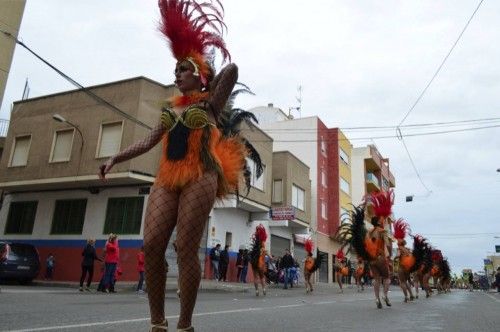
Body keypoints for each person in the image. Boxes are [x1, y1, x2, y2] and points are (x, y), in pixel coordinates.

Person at [98, 1, 258, 330]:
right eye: (175, 70)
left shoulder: (211, 105)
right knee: (153, 243)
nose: (176, 74)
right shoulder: (170, 110)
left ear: (197, 74)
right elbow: (148, 141)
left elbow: (233, 70)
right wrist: (116, 157)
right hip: (167, 178)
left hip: (202, 175)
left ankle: (185, 323)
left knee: (186, 246)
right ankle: (158, 321)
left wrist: (202, 69)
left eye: (183, 69)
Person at [393, 220, 415, 303]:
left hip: (402, 267)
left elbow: (398, 256)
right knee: (406, 282)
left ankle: (406, 296)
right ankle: (411, 294)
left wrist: (395, 258)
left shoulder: (399, 249)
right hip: (408, 268)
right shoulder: (407, 249)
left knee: (402, 282)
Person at [249, 225, 267, 296]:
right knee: (262, 277)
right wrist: (270, 256)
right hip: (260, 263)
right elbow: (264, 251)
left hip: (254, 262)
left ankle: (256, 291)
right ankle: (264, 289)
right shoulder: (262, 243)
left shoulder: (254, 243)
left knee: (255, 277)